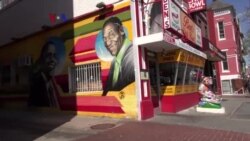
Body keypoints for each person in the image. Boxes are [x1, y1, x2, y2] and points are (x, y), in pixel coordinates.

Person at [102, 17, 135, 96]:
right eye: (105, 39)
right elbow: (108, 89)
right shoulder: (115, 61)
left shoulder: (132, 54)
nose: (107, 43)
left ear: (121, 31)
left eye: (111, 35)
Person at [28, 38, 62, 107]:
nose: (52, 59)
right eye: (49, 55)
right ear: (41, 59)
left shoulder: (52, 82)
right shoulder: (36, 83)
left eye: (54, 55)